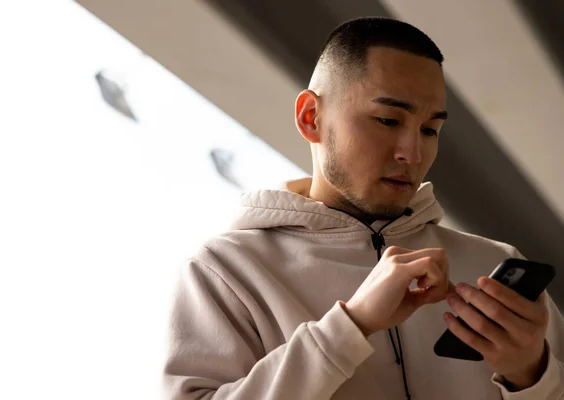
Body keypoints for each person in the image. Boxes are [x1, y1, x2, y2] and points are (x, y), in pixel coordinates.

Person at [163, 17, 564, 399]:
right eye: (388, 120)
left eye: (430, 129)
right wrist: (351, 325)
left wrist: (531, 374)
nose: (413, 152)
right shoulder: (226, 270)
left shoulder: (492, 264)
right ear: (310, 118)